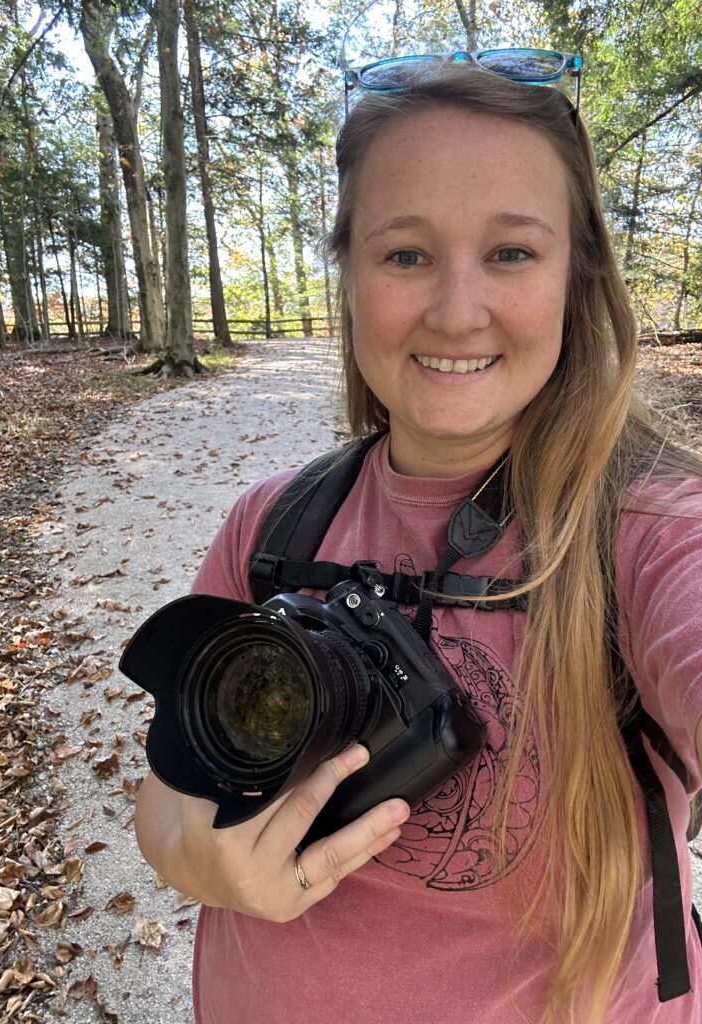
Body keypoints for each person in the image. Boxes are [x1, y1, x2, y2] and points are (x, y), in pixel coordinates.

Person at [133, 54, 702, 1024]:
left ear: (579, 275)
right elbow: (164, 802)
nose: (455, 308)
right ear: (350, 268)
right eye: (406, 254)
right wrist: (222, 873)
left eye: (512, 252)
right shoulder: (273, 525)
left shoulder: (644, 536)